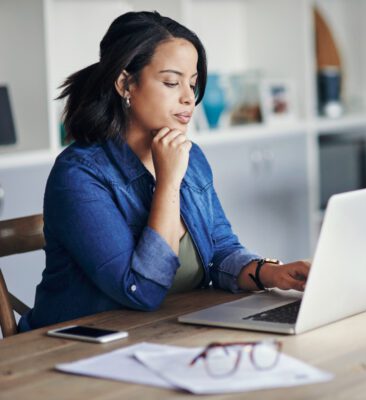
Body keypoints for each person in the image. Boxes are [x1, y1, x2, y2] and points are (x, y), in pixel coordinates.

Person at [18, 11, 310, 332]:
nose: (188, 97)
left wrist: (270, 273)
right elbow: (140, 290)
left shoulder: (190, 156)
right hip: (72, 350)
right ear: (125, 83)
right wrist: (168, 184)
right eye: (172, 82)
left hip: (164, 332)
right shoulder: (80, 174)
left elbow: (221, 250)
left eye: (193, 83)